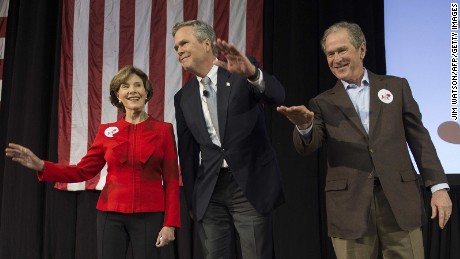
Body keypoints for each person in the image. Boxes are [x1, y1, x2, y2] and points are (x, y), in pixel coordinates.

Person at [277, 21, 453, 259]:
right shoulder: (322, 102)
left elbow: (420, 139)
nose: (336, 58)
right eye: (330, 54)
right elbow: (309, 144)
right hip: (350, 207)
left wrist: (438, 187)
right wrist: (304, 125)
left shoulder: (396, 87)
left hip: (398, 202)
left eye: (342, 50)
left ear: (362, 49)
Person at [5, 66, 180, 259]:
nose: (132, 90)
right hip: (110, 215)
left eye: (138, 85)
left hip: (150, 215)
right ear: (118, 95)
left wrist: (169, 223)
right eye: (125, 86)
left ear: (146, 92)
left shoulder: (164, 130)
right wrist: (43, 166)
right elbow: (83, 171)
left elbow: (171, 181)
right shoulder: (106, 131)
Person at [172, 20, 285, 259]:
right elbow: (188, 151)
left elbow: (277, 95)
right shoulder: (183, 97)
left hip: (248, 185)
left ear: (206, 44)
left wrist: (254, 75)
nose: (179, 50)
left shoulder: (240, 72)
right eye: (175, 47)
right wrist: (194, 200)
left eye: (184, 43)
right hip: (210, 191)